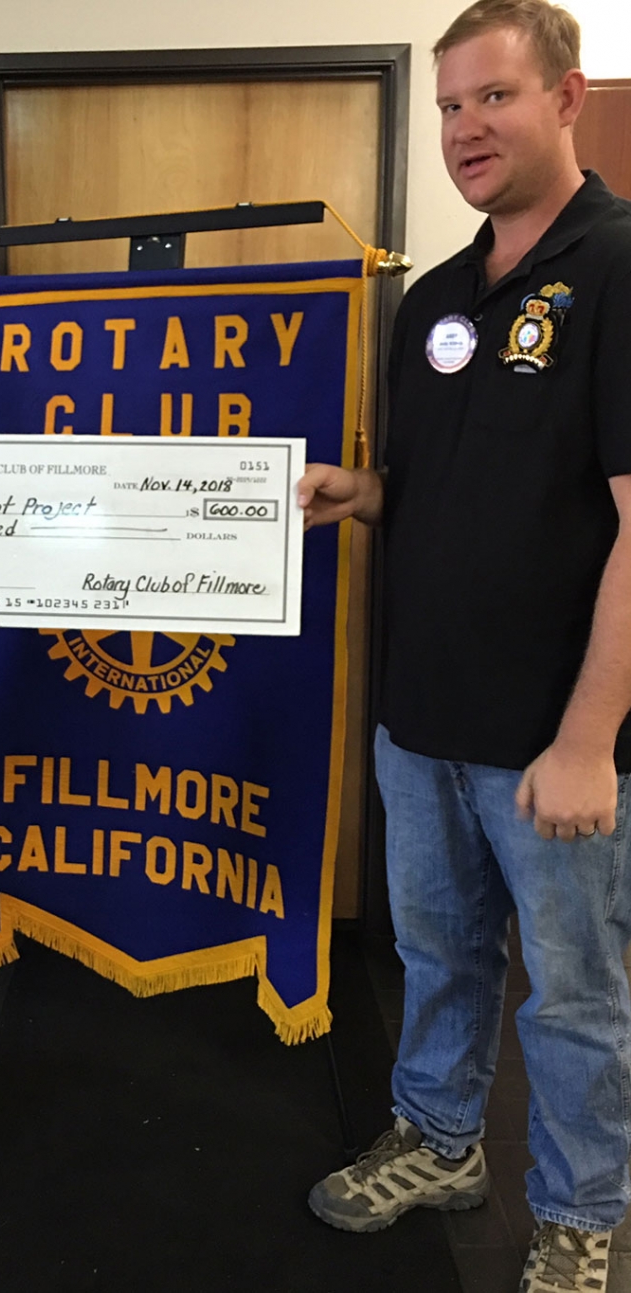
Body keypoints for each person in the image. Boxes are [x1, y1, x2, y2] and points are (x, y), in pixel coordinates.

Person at [299, 2, 631, 1289]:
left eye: (491, 98)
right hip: (420, 718)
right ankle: (442, 1141)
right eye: (447, 106)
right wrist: (362, 495)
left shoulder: (617, 270)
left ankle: (580, 1213)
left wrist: (591, 737)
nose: (463, 129)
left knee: (574, 999)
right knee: (436, 955)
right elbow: (457, 488)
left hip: (554, 742)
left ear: (566, 99)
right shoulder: (436, 297)